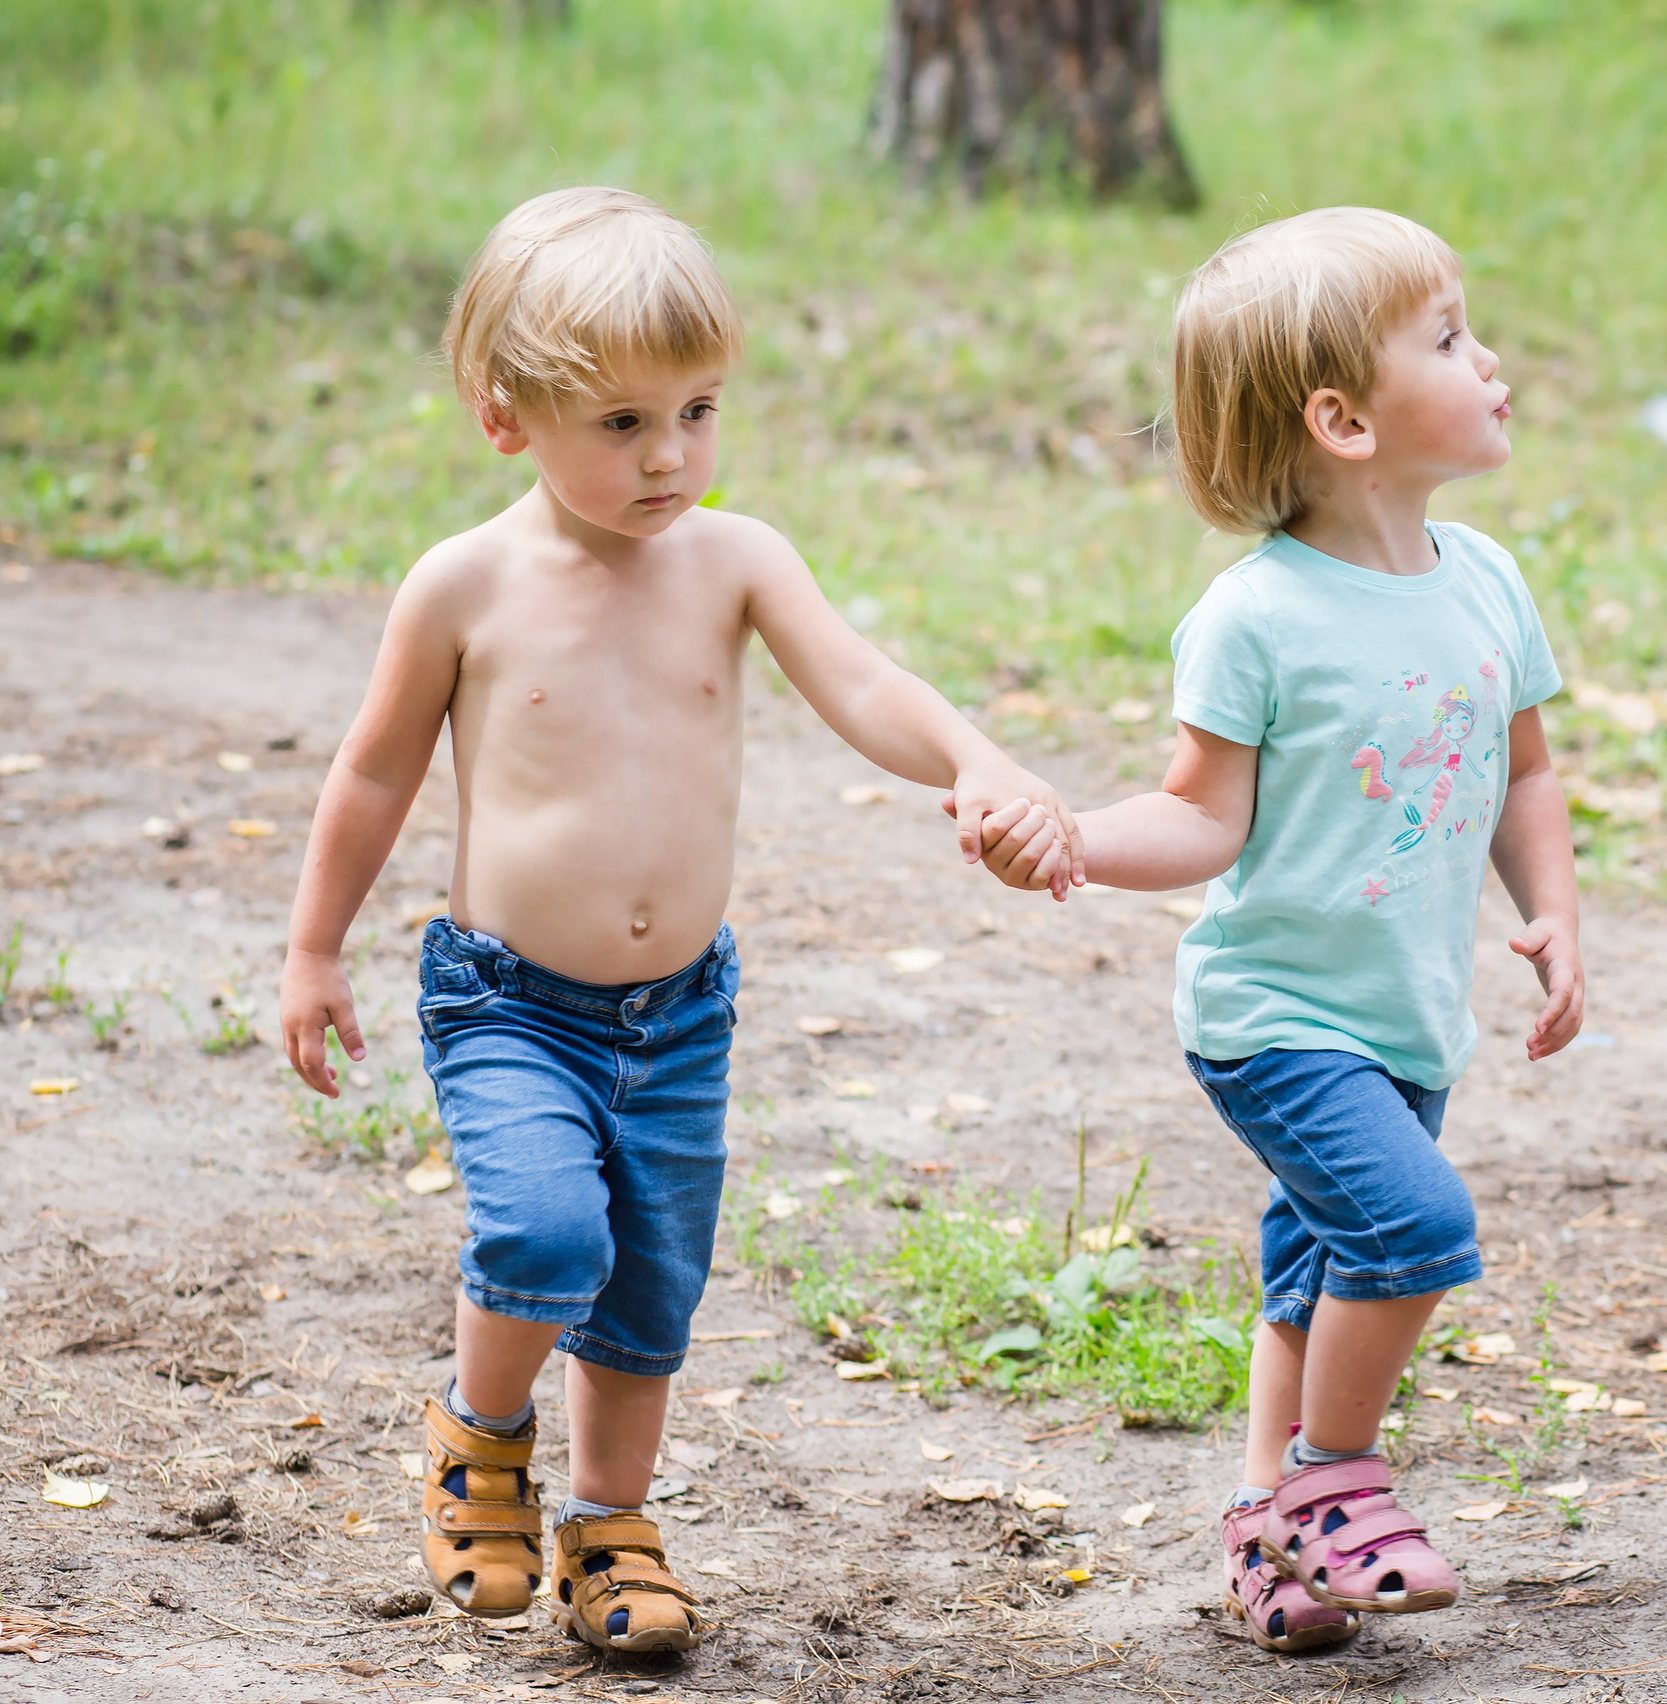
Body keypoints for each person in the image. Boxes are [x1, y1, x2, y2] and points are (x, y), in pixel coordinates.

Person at [276, 186, 1079, 1654]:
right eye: (624, 423)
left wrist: (978, 759)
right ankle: (480, 1441)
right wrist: (315, 947)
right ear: (505, 416)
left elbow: (864, 686)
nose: (670, 457)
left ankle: (609, 1525)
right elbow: (374, 770)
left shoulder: (736, 559)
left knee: (649, 1287)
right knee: (543, 1233)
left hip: (680, 1014)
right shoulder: (464, 586)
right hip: (510, 1002)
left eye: (698, 412)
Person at [978, 206, 1584, 1652]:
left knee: (1316, 1273)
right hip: (1279, 1018)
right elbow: (1202, 817)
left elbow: (1526, 772)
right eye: (1449, 339)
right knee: (1415, 1229)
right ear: (1342, 421)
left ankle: (1267, 1535)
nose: (1490, 360)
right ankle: (1330, 1485)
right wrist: (1075, 841)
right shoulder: (1256, 617)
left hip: (1408, 1017)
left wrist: (1553, 911)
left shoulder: (1485, 580)